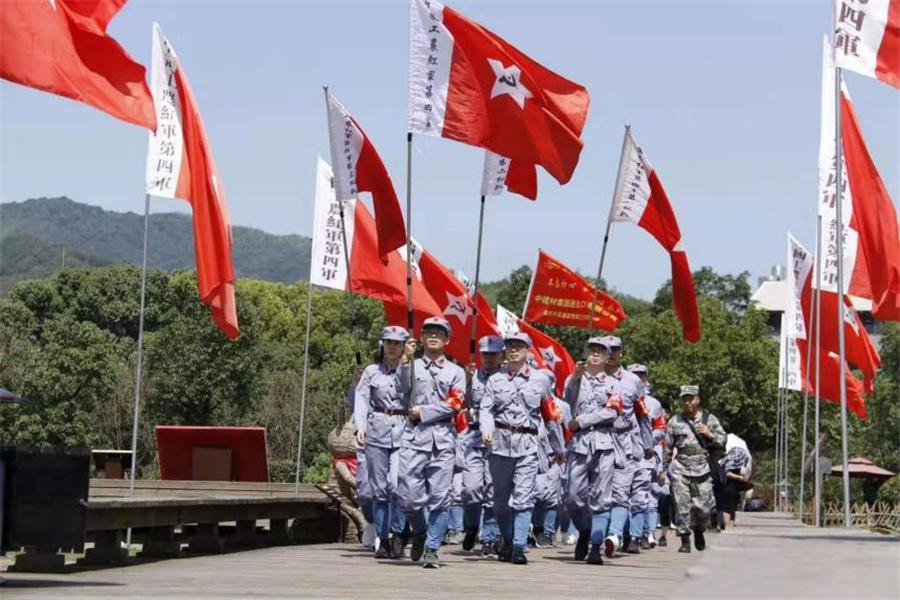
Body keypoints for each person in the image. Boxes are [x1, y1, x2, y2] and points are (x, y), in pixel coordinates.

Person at [480, 332, 564, 565]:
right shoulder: (495, 380)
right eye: (510, 346)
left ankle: (519, 546)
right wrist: (486, 429)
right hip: (500, 444)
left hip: (527, 444)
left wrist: (558, 448)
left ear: (528, 350)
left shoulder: (540, 380)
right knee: (500, 500)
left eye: (519, 346)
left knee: (524, 498)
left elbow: (550, 415)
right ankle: (507, 541)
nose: (514, 350)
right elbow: (486, 409)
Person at [397, 316, 466, 569]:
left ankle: (432, 548)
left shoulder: (456, 372)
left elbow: (456, 403)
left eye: (439, 333)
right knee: (408, 497)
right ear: (421, 338)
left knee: (440, 498)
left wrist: (424, 412)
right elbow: (399, 391)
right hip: (414, 438)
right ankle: (420, 531)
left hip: (442, 440)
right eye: (428, 332)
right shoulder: (412, 365)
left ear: (447, 340)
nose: (433, 336)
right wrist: (404, 362)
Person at [353, 327, 416, 559]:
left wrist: (407, 363)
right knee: (379, 490)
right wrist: (360, 426)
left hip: (403, 430)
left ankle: (399, 533)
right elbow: (362, 399)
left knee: (398, 485)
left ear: (404, 346)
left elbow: (412, 392)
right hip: (377, 430)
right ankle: (383, 538)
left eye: (397, 343)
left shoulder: (412, 369)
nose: (392, 347)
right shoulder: (372, 371)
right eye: (388, 342)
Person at [563, 337, 626, 565]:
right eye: (592, 350)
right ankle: (584, 529)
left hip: (604, 442)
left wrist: (583, 420)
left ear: (608, 357)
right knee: (572, 496)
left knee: (601, 498)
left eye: (601, 351)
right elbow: (566, 401)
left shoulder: (614, 384)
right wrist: (575, 379)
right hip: (580, 443)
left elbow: (612, 411)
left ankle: (596, 546)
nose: (596, 354)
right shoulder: (575, 379)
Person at [602, 336, 653, 558]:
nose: (610, 354)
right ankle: (590, 534)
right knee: (593, 493)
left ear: (621, 352)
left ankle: (615, 535)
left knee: (621, 493)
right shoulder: (590, 377)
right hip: (596, 441)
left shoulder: (633, 381)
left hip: (624, 442)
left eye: (615, 349)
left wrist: (647, 444)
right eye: (606, 349)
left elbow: (642, 415)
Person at [664, 385, 727, 553]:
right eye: (685, 399)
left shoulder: (709, 419)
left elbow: (722, 440)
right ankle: (685, 540)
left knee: (704, 507)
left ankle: (699, 530)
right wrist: (663, 469)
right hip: (681, 468)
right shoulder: (675, 421)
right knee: (681, 505)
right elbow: (667, 447)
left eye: (691, 399)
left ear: (698, 400)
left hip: (703, 469)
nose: (688, 402)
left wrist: (710, 434)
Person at [461, 335, 504, 558]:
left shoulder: (507, 378)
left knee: (493, 491)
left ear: (501, 355)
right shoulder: (472, 376)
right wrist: (466, 382)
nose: (488, 358)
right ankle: (471, 525)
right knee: (471, 489)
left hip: (498, 438)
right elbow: (458, 403)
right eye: (485, 354)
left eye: (493, 354)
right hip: (474, 437)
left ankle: (489, 539)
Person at [627, 364, 668, 550]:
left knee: (641, 495)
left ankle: (637, 536)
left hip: (645, 455)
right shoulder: (617, 397)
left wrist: (648, 441)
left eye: (641, 376)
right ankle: (622, 534)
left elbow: (661, 428)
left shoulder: (653, 404)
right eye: (634, 375)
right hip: (621, 452)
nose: (638, 379)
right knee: (621, 496)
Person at [717, 433, 752, 529]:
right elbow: (727, 473)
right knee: (728, 505)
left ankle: (729, 522)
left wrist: (743, 476)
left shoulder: (739, 460)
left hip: (733, 485)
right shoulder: (731, 459)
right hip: (727, 484)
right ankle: (726, 523)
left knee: (731, 504)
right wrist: (739, 477)